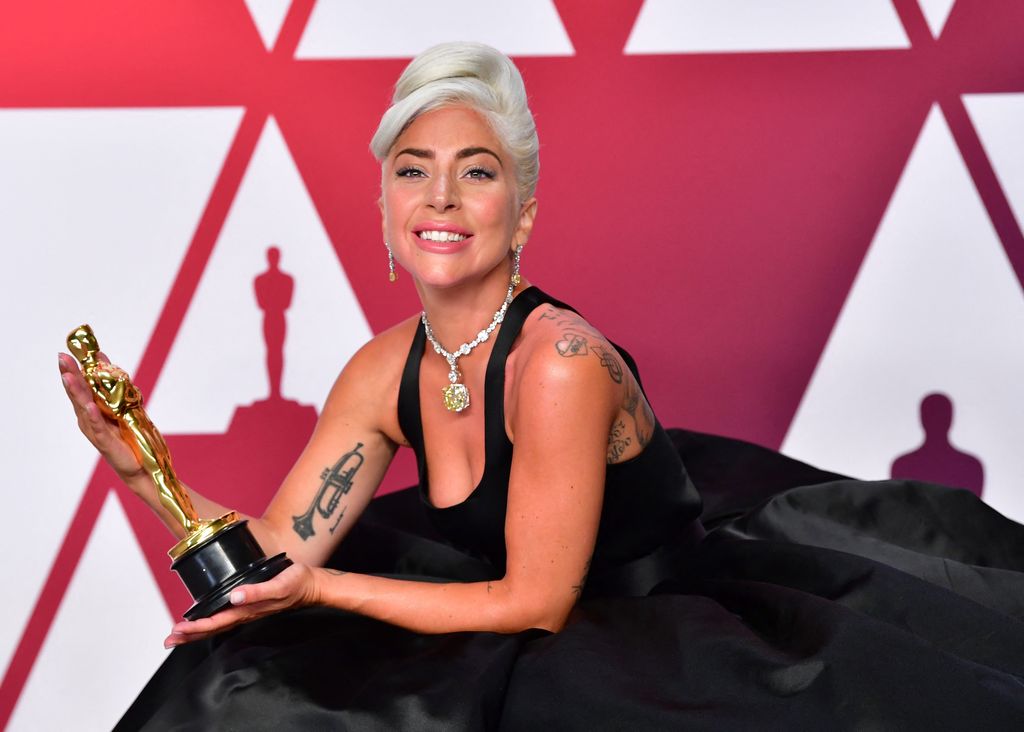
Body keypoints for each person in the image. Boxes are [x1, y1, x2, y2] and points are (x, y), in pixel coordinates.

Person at [59, 43, 1024, 730]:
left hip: (649, 622)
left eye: (473, 173)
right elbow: (278, 549)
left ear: (520, 214)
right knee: (234, 677)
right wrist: (146, 472)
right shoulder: (378, 368)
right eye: (412, 171)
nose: (438, 197)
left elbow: (535, 604)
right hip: (500, 609)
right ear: (386, 204)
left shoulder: (557, 363)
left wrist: (328, 590)